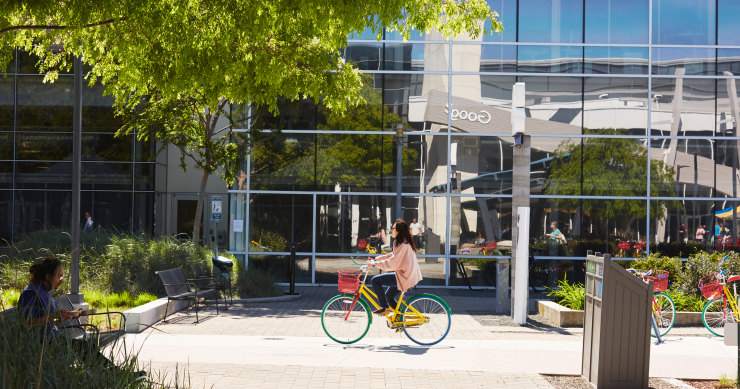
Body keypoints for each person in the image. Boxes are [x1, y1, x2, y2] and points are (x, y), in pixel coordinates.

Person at [17, 258, 144, 376]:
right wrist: (54, 315)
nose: (61, 279)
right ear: (48, 276)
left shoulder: (44, 291)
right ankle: (116, 375)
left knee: (87, 347)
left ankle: (115, 375)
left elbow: (46, 321)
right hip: (41, 343)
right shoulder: (31, 293)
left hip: (53, 338)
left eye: (62, 276)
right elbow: (26, 323)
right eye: (59, 276)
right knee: (85, 347)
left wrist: (65, 316)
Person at [366, 219, 423, 317]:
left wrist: (375, 264)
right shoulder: (401, 243)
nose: (391, 230)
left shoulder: (404, 245)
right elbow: (393, 255)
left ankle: (384, 307)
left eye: (393, 228)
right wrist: (377, 259)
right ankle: (400, 320)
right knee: (389, 296)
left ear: (399, 231)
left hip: (405, 277)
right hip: (404, 275)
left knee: (375, 280)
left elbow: (392, 262)